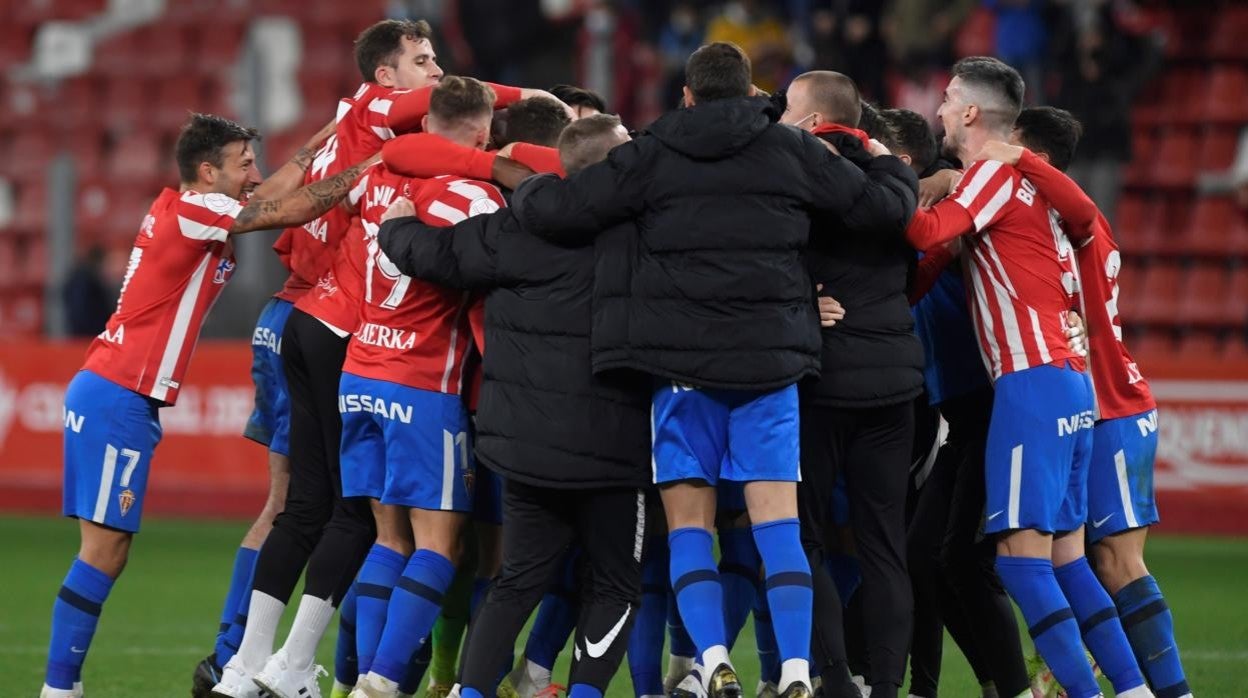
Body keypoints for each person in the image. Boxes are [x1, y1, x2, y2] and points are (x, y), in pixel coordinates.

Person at [511, 42, 916, 698]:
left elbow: (565, 210)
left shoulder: (652, 153)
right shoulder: (790, 149)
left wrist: (524, 189)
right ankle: (790, 671)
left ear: (688, 96)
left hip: (680, 371)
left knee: (691, 527)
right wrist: (887, 163)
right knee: (777, 525)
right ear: (755, 93)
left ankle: (712, 659)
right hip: (770, 366)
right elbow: (881, 211)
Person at [41, 112, 374, 698]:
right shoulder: (196, 210)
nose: (255, 171)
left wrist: (314, 146)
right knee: (104, 551)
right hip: (117, 392)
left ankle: (64, 688)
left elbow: (268, 195)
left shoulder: (193, 207)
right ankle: (59, 689)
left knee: (108, 551)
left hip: (114, 392)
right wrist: (368, 168)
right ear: (205, 170)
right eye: (243, 162)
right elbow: (287, 209)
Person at [378, 111, 652, 698]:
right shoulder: (644, 234)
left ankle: (471, 692)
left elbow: (434, 254)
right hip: (613, 447)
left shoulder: (512, 228)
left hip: (524, 445)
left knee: (516, 580)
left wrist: (394, 229)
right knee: (614, 584)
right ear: (612, 168)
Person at [904, 57, 1152, 698]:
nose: (938, 110)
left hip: (1030, 380)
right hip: (1071, 380)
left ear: (969, 113)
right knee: (1067, 559)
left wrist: (893, 177)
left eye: (948, 98)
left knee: (1019, 562)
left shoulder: (986, 172)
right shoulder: (1030, 184)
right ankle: (1135, 690)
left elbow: (927, 231)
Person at [976, 105, 1191, 698]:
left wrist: (1016, 158)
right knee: (1083, 559)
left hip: (1112, 402)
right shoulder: (1058, 228)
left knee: (1117, 563)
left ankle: (1168, 692)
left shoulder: (1077, 220)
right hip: (1095, 401)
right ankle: (1097, 678)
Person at [339, 76, 507, 698]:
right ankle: (380, 685)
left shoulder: (385, 184)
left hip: (360, 371)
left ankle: (360, 680)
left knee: (388, 539)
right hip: (421, 384)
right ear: (483, 134)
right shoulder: (473, 198)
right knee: (439, 546)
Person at [777, 70, 922, 698]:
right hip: (894, 383)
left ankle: (835, 681)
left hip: (822, 381)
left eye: (787, 110)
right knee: (884, 546)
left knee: (803, 539)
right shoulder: (894, 185)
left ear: (811, 125)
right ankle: (886, 686)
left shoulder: (794, 184)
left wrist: (800, 298)